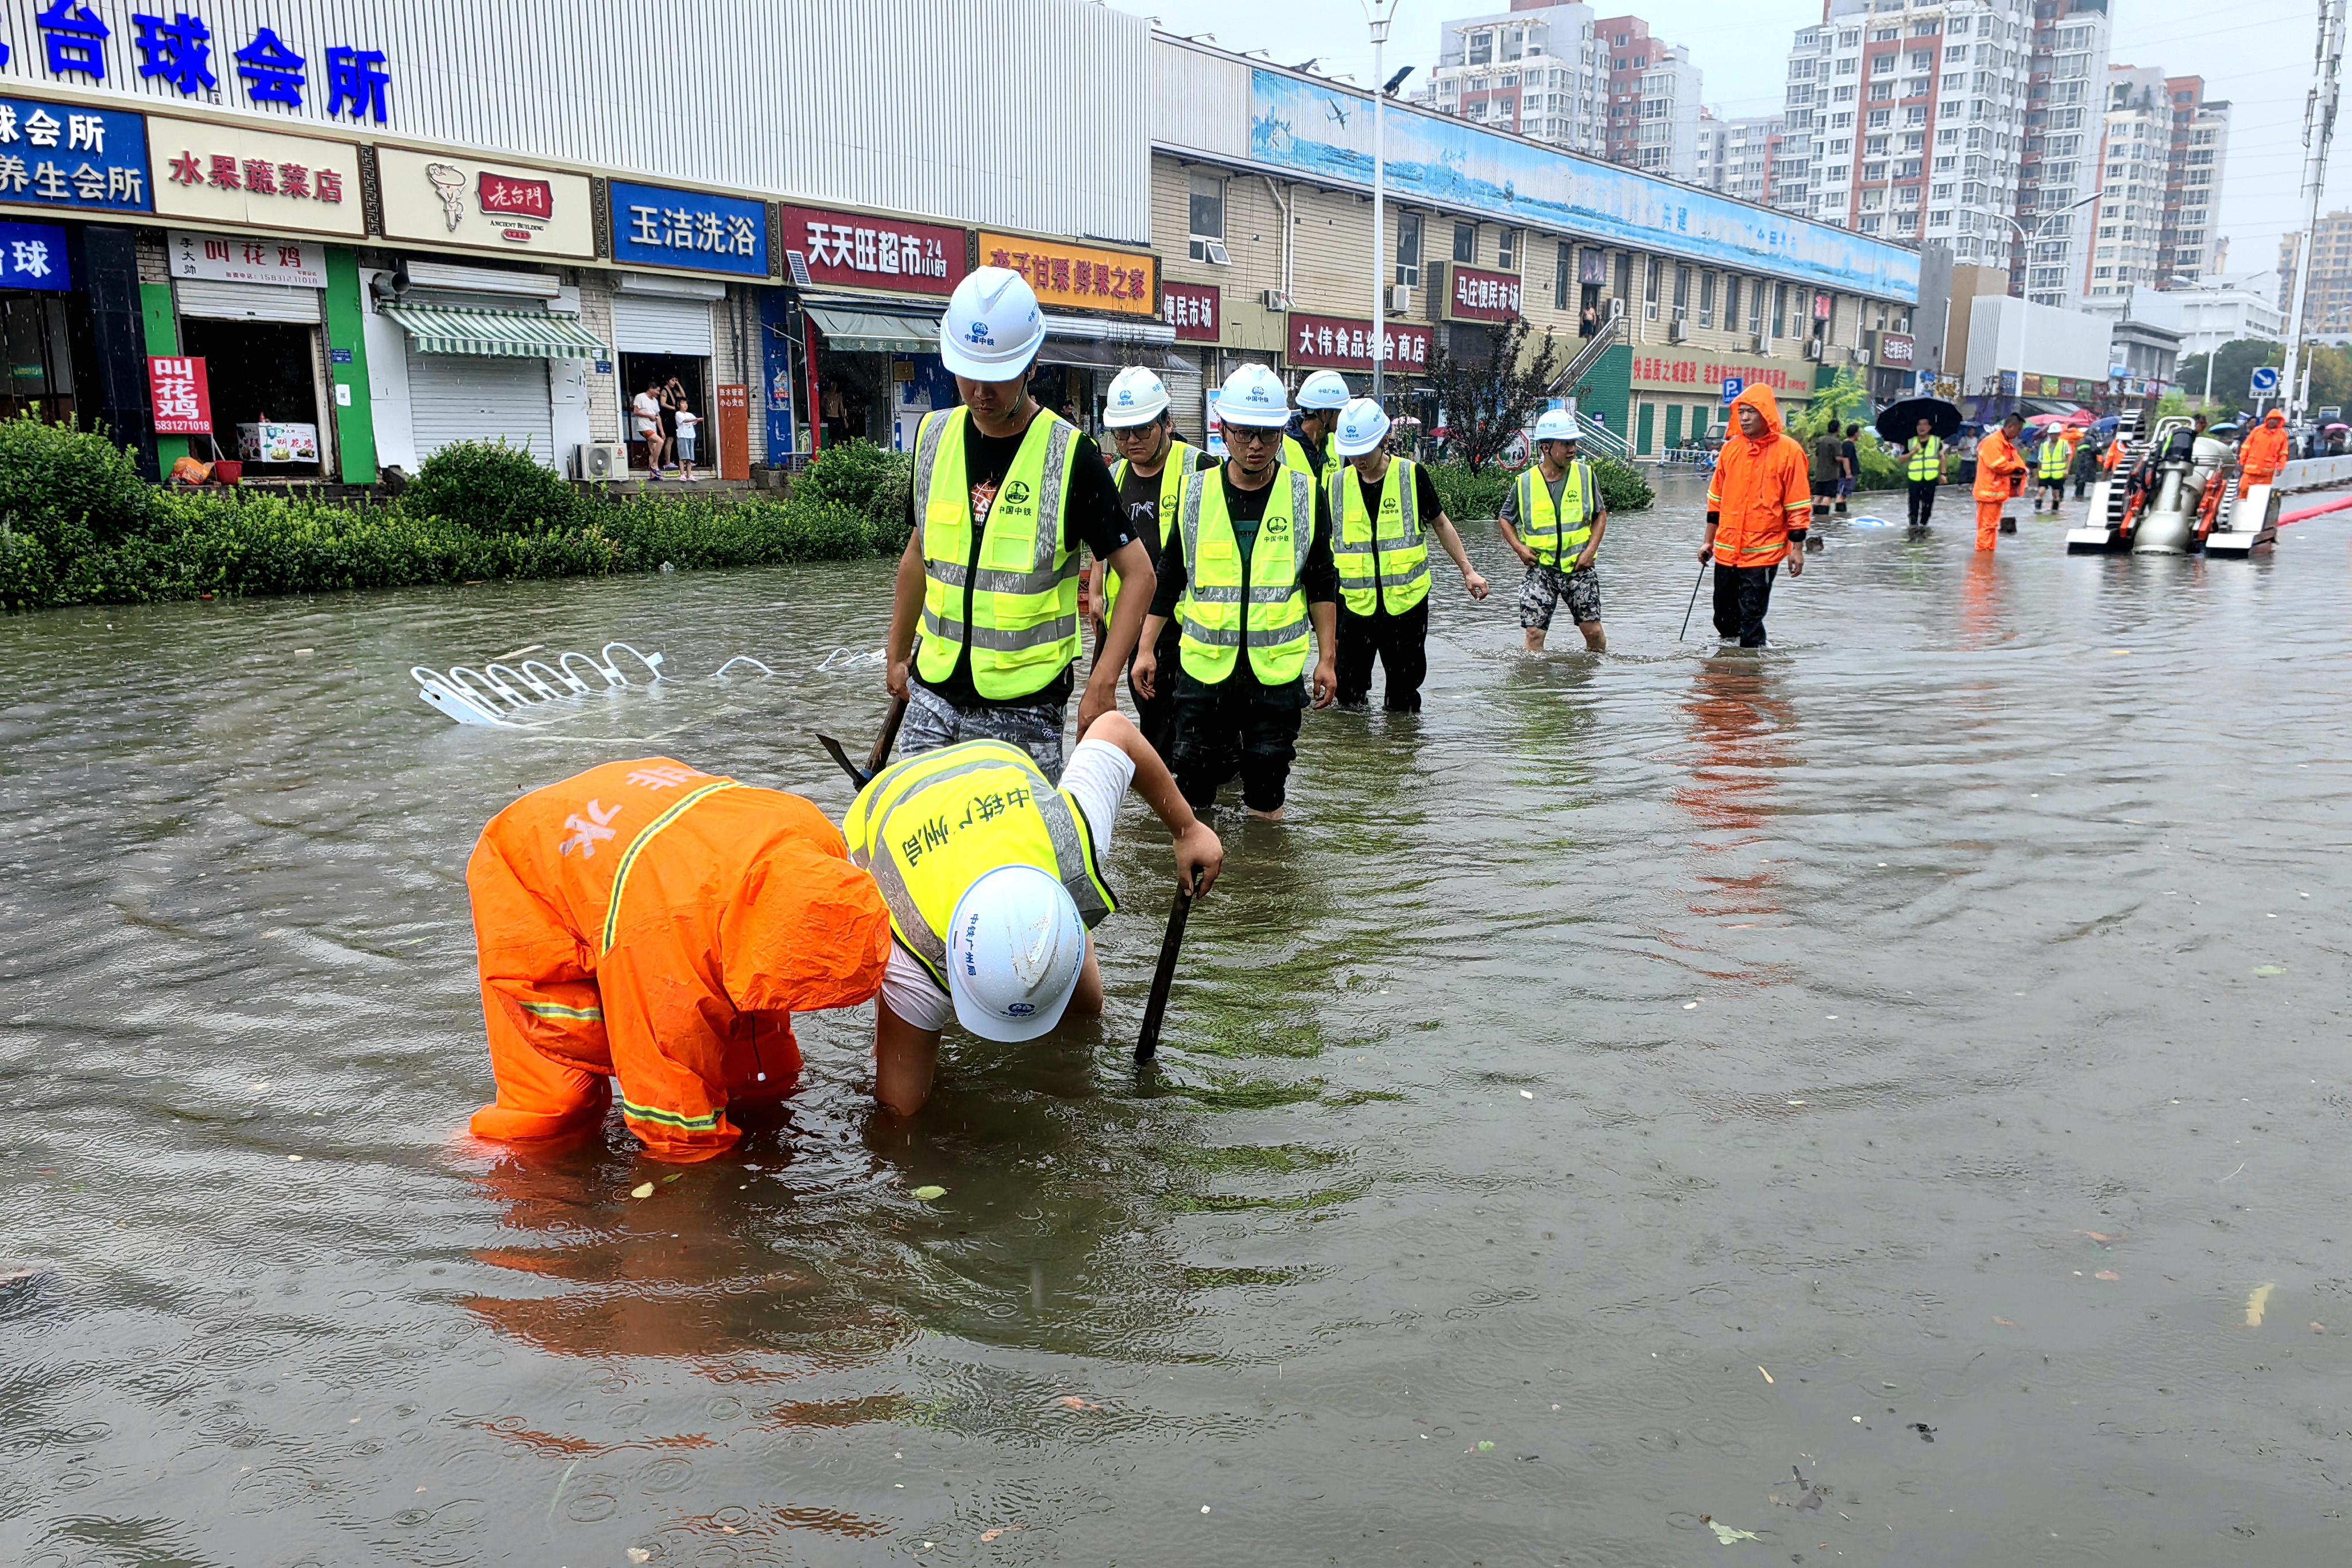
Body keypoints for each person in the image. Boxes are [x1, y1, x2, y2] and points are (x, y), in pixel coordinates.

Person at [466, 758, 892, 1163]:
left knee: (762, 1081)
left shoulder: (816, 839)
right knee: (559, 1110)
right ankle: (484, 1156)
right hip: (529, 866)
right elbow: (673, 1115)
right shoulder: (666, 939)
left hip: (652, 824)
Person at [844, 713, 1224, 1116]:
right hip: (886, 812)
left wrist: (1187, 829)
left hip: (992, 768)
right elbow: (897, 1117)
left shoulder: (1070, 843)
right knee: (901, 1099)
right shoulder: (913, 949)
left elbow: (1117, 730)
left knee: (1085, 1012)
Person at [884, 267, 1157, 778]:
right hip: (932, 695)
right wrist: (897, 653)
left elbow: (1140, 575)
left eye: (999, 374)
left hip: (1024, 710)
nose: (981, 391)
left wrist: (1101, 686)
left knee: (1013, 855)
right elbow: (919, 553)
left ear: (1032, 363)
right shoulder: (933, 437)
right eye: (968, 372)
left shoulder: (1071, 455)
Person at [1134, 363, 1340, 820]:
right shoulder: (1194, 493)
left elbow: (1321, 582)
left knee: (1267, 792)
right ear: (1223, 430)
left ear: (1281, 433)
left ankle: (1263, 879)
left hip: (1275, 675)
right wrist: (1146, 647)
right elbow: (1170, 576)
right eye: (1244, 433)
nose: (1256, 446)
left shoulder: (1306, 495)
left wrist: (1327, 658)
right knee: (1192, 788)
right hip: (1204, 674)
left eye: (1267, 435)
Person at [1326, 396, 1490, 709]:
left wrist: (1467, 570)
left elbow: (1441, 524)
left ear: (1384, 440)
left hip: (1406, 606)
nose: (1358, 460)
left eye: (1365, 451)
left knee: (1403, 696)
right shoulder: (1335, 485)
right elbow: (1323, 547)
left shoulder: (1412, 476)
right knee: (1348, 696)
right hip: (1354, 608)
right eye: (1352, 453)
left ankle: (1402, 752)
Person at [1093, 365, 1216, 762]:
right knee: (1157, 729)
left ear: (1167, 422)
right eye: (1122, 433)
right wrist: (1096, 592)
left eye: (1143, 429)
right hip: (1132, 624)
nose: (1131, 441)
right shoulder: (1111, 475)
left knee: (1201, 731)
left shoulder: (1201, 469)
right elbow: (1103, 544)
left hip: (1191, 627)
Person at [1699, 384, 1809, 648]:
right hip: (1726, 549)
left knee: (1751, 617)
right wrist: (1708, 542)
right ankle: (1727, 674)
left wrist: (1797, 549)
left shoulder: (1790, 452)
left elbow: (1798, 505)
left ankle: (1750, 673)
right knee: (1723, 619)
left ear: (1767, 414)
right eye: (1741, 412)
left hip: (1763, 553)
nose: (1745, 418)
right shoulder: (1730, 450)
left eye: (1751, 412)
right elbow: (1715, 501)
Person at [1499, 406, 1608, 652]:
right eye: (1566, 443)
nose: (1573, 449)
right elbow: (1505, 519)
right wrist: (1519, 549)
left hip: (1579, 567)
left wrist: (1590, 551)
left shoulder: (1586, 475)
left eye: (1574, 443)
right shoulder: (1525, 483)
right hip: (1542, 569)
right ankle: (1534, 684)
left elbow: (1601, 515)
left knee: (1593, 632)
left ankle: (1596, 676)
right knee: (1534, 634)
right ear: (1546, 447)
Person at [1970, 412, 2029, 550]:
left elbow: (2017, 463)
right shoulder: (1993, 442)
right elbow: (1997, 465)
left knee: (1991, 526)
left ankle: (1987, 554)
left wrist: (2020, 469)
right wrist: (2016, 468)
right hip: (1989, 492)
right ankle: (1983, 558)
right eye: (2019, 429)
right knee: (1987, 527)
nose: (2019, 433)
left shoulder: (2004, 443)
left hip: (1995, 492)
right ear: (2010, 426)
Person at [1283, 369, 1350, 478]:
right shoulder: (1282, 448)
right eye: (1341, 412)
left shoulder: (1339, 446)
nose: (1345, 418)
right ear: (1326, 414)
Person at [1904, 416, 1945, 529]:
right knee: (1913, 505)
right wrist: (1913, 452)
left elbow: (1942, 457)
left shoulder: (1936, 441)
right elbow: (1901, 460)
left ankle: (1923, 526)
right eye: (1919, 425)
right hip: (1914, 478)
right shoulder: (1911, 442)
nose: (1922, 427)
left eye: (1924, 424)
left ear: (1930, 427)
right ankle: (1913, 526)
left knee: (1928, 505)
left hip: (1930, 478)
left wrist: (1943, 474)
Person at [2239, 409, 2290, 490]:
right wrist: (2242, 460)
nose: (2273, 422)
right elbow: (2246, 447)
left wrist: (2281, 467)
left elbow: (2283, 453)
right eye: (2271, 419)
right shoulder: (2258, 431)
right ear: (2267, 419)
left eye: (2276, 420)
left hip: (2267, 473)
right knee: (2244, 491)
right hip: (2250, 470)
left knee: (2262, 495)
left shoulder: (2282, 434)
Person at [633, 379, 667, 477]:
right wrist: (649, 416)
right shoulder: (640, 397)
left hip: (653, 427)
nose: (658, 393)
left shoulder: (655, 401)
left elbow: (658, 417)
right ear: (651, 389)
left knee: (653, 450)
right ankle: (654, 466)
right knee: (660, 442)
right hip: (644, 427)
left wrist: (662, 431)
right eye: (657, 391)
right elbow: (636, 411)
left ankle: (653, 475)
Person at [1809, 424, 1843, 519]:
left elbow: (1817, 457)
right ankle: (1824, 519)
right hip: (1831, 474)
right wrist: (1846, 459)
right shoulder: (1836, 442)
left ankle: (1815, 516)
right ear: (1838, 430)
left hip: (1820, 474)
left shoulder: (1821, 441)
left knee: (1818, 496)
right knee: (1827, 496)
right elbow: (1837, 458)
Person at [2033, 426, 2069, 512]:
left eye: (2056, 434)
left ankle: (2054, 511)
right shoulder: (2044, 446)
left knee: (2056, 494)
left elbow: (2068, 458)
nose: (2053, 436)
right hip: (2045, 473)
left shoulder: (2064, 444)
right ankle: (2038, 510)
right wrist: (2038, 473)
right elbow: (2040, 460)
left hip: (2058, 474)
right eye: (2052, 434)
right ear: (2049, 434)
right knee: (2041, 492)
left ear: (2059, 434)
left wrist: (2067, 470)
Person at [673, 396, 702, 483]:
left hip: (691, 437)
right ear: (679, 405)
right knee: (682, 457)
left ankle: (689, 474)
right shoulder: (678, 414)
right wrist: (696, 419)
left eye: (686, 404)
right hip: (682, 437)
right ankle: (682, 474)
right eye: (683, 403)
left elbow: (694, 422)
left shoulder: (690, 414)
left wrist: (698, 420)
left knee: (690, 458)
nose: (685, 405)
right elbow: (686, 421)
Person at [1838, 423, 1861, 514]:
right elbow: (1846, 459)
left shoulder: (1849, 444)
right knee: (1841, 495)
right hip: (1846, 475)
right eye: (1859, 433)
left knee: (1844, 495)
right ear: (1855, 434)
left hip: (1850, 474)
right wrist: (1848, 473)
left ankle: (1842, 515)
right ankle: (1840, 516)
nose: (1859, 435)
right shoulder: (1848, 445)